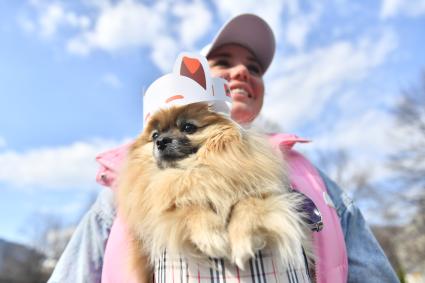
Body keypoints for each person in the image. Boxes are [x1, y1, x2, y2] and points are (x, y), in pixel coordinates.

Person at [48, 14, 399, 283]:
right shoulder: (124, 181)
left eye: (255, 67)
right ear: (197, 82)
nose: (242, 71)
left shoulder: (312, 177)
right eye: (224, 62)